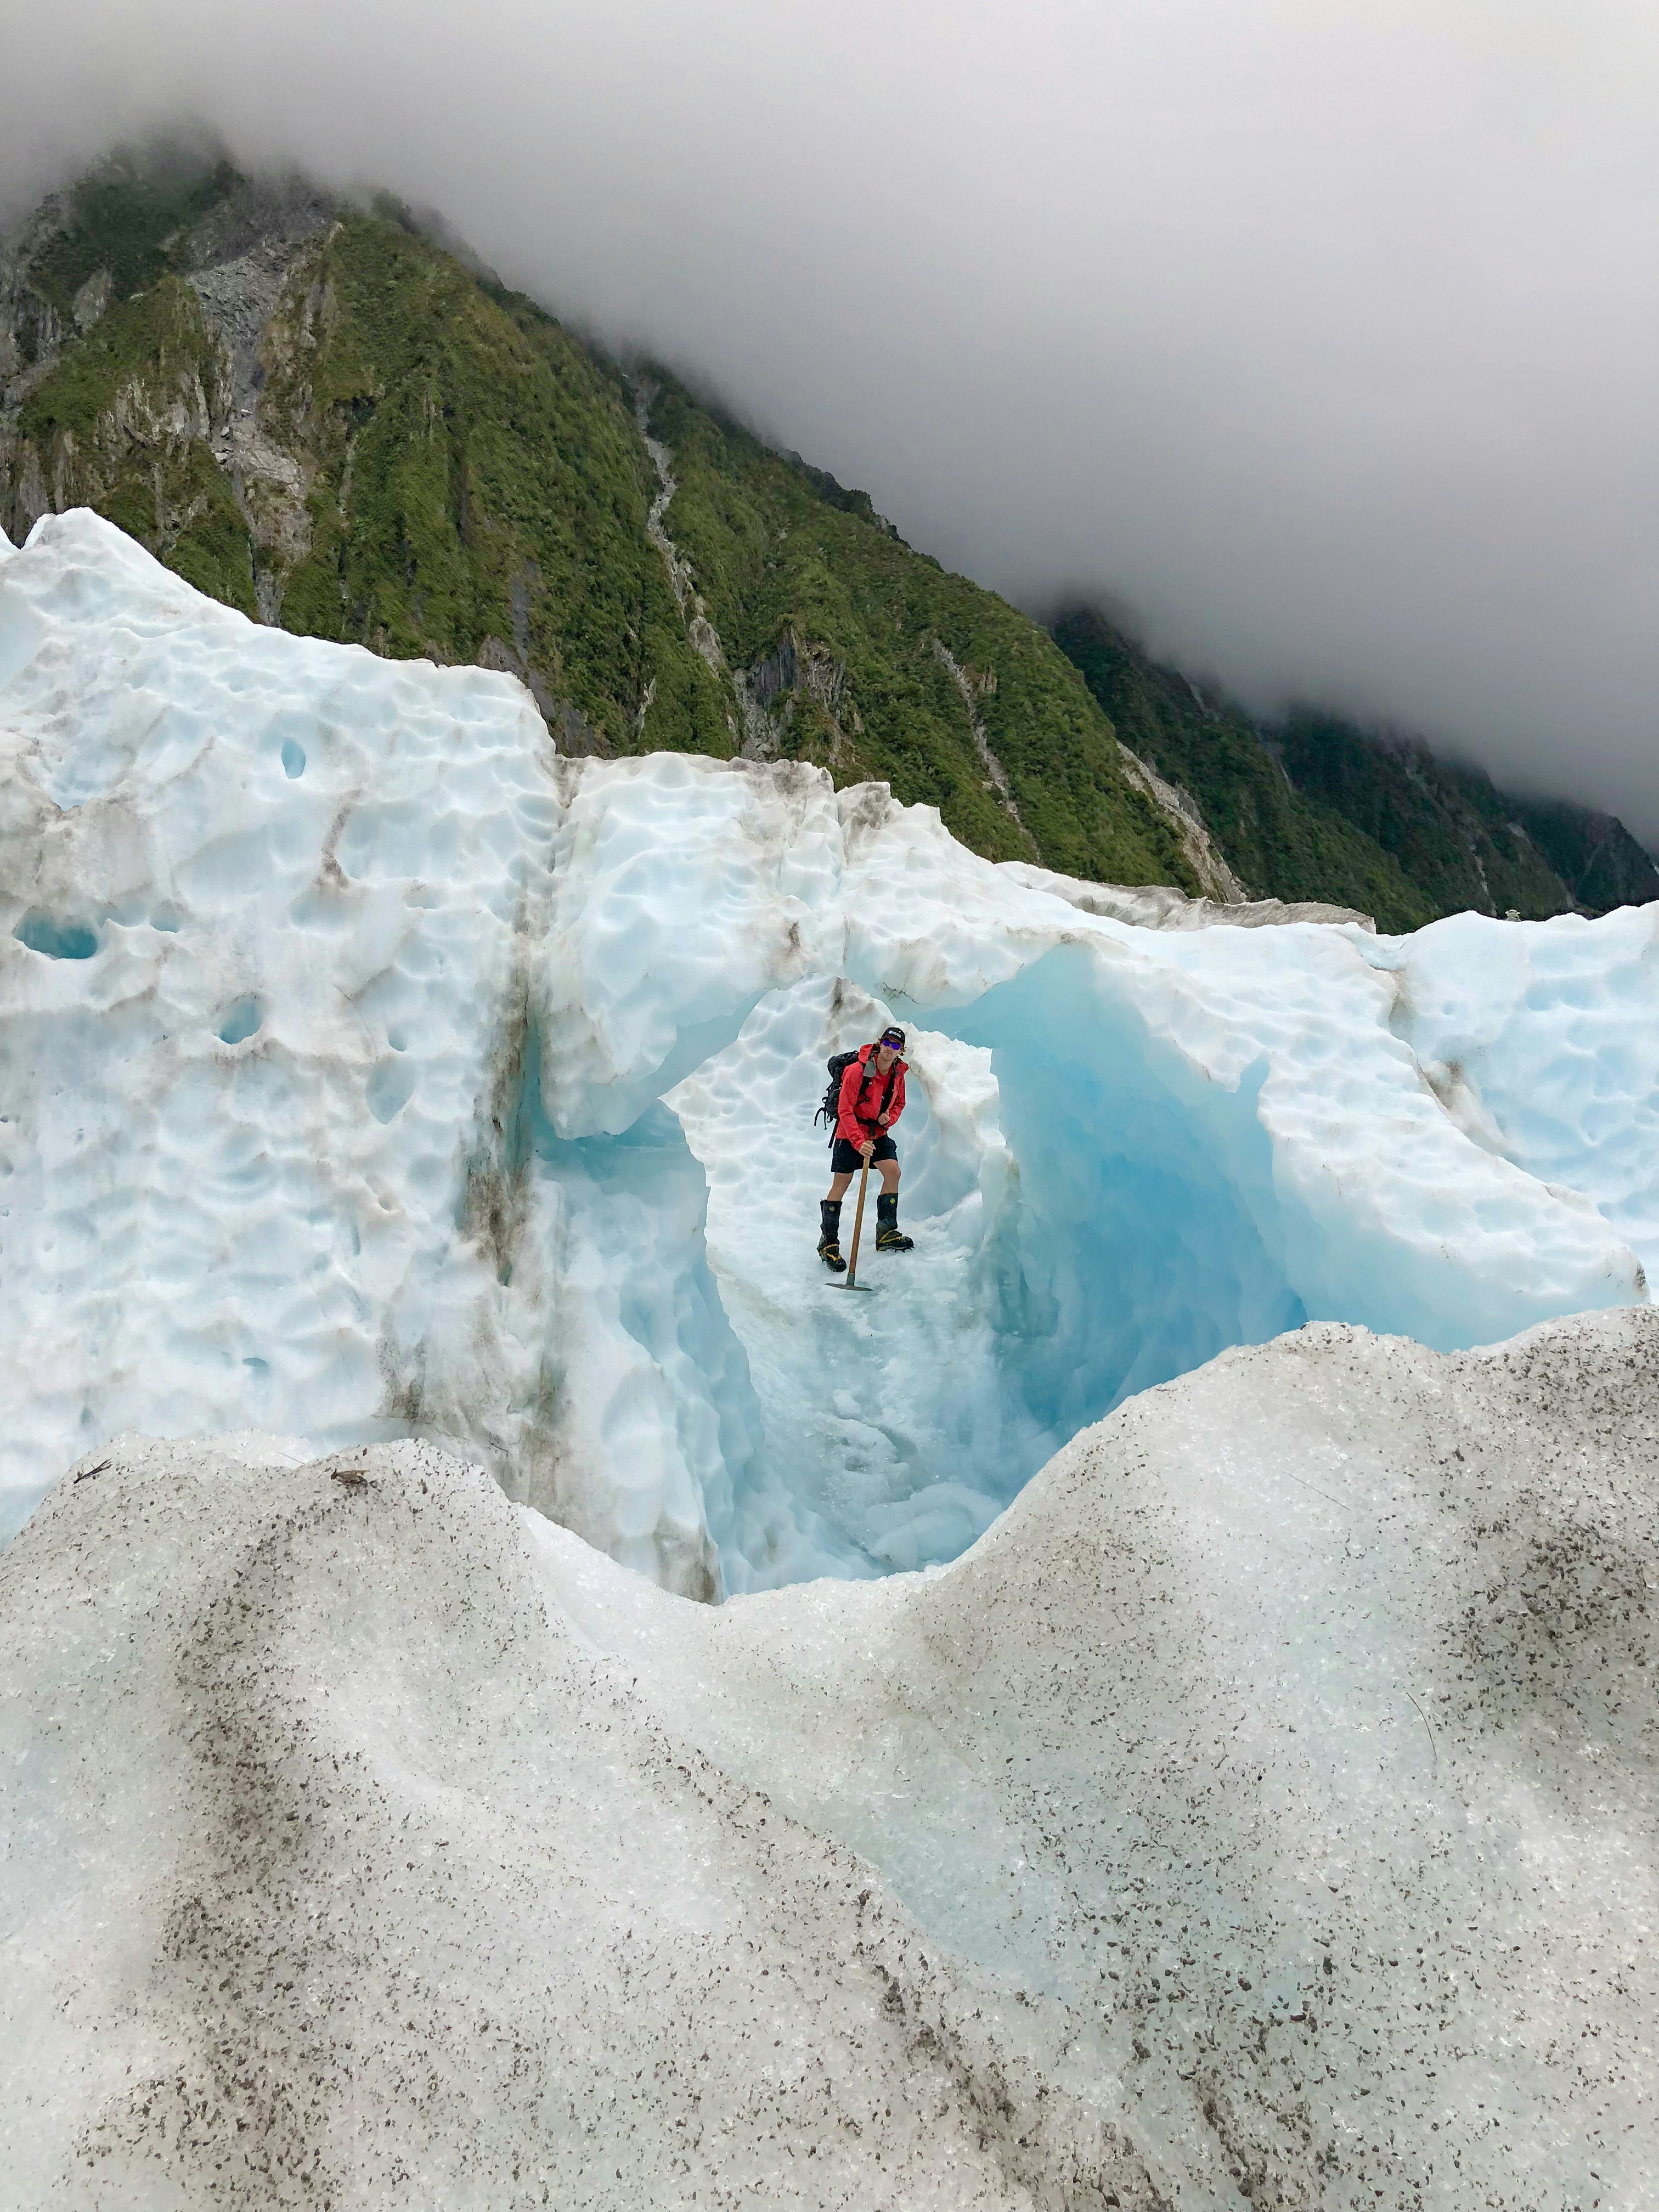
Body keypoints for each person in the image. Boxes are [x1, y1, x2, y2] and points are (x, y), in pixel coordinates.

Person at [817, 1025, 915, 1269]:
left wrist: (889, 1119)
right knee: (841, 1184)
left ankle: (886, 1233)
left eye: (895, 1046)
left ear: (900, 1051)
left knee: (893, 1172)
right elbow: (845, 1110)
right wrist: (859, 1143)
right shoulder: (856, 1071)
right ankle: (828, 1244)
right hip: (850, 1133)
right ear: (880, 1043)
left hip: (878, 1133)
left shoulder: (897, 1074)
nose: (889, 1049)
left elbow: (899, 1104)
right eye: (887, 1043)